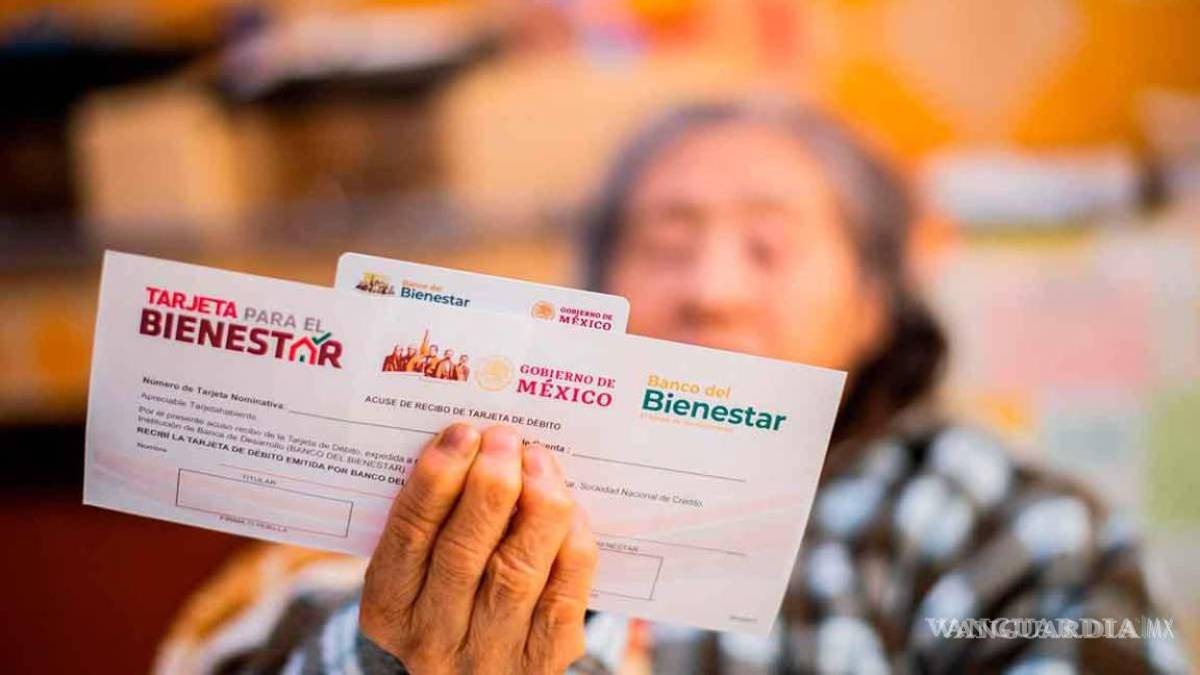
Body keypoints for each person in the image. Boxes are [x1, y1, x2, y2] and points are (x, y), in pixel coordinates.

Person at [155, 101, 1187, 674]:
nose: (710, 290)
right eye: (665, 243)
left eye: (768, 246)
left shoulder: (1009, 525)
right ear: (594, 293)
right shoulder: (437, 483)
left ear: (874, 305)